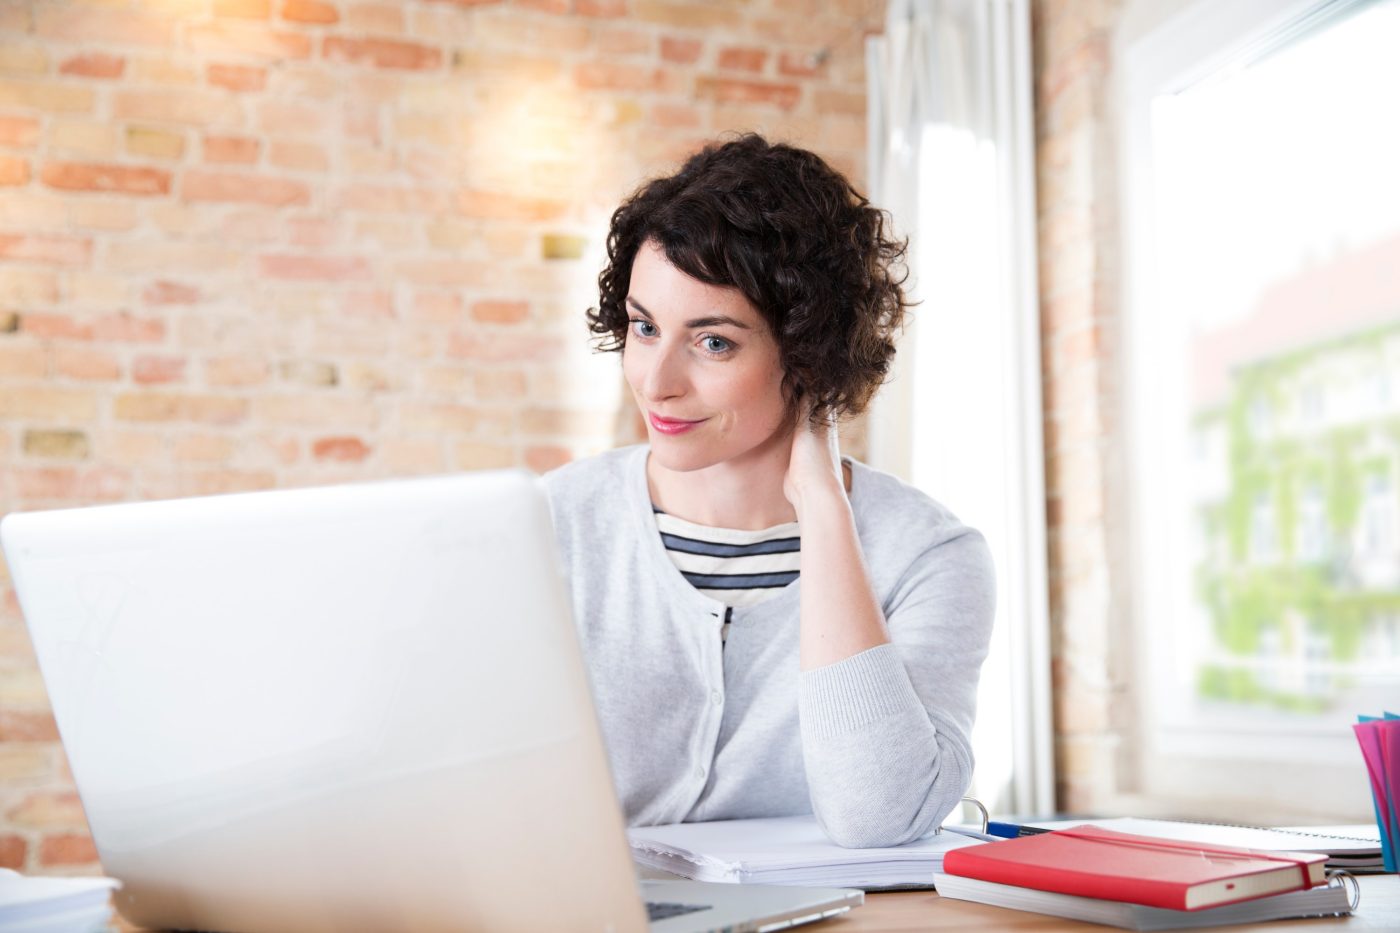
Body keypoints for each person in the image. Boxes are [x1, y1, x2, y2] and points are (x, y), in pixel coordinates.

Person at [543, 134, 994, 848]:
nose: (656, 381)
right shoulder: (549, 526)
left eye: (713, 341)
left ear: (809, 352)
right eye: (644, 326)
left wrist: (823, 507)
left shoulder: (928, 557)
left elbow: (880, 815)